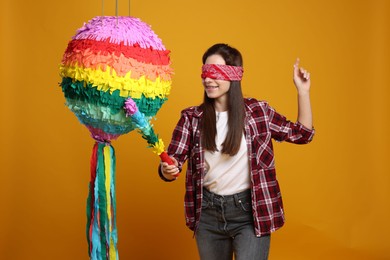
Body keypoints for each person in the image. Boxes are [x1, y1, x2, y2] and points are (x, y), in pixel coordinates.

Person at [158, 43, 314, 260]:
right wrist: (167, 170)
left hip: (250, 212)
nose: (208, 79)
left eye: (216, 73)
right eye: (205, 72)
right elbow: (173, 160)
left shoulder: (258, 112)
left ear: (234, 75)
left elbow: (302, 134)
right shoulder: (191, 118)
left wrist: (303, 92)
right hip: (208, 214)